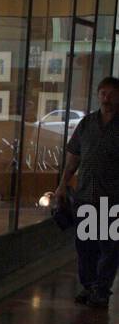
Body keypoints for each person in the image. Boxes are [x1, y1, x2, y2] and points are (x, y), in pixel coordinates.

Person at [56, 76, 119, 307]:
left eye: (112, 94)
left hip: (112, 199)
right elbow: (74, 156)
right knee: (85, 245)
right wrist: (63, 184)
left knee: (109, 246)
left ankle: (102, 289)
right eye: (103, 93)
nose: (106, 98)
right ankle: (89, 285)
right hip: (85, 196)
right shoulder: (87, 124)